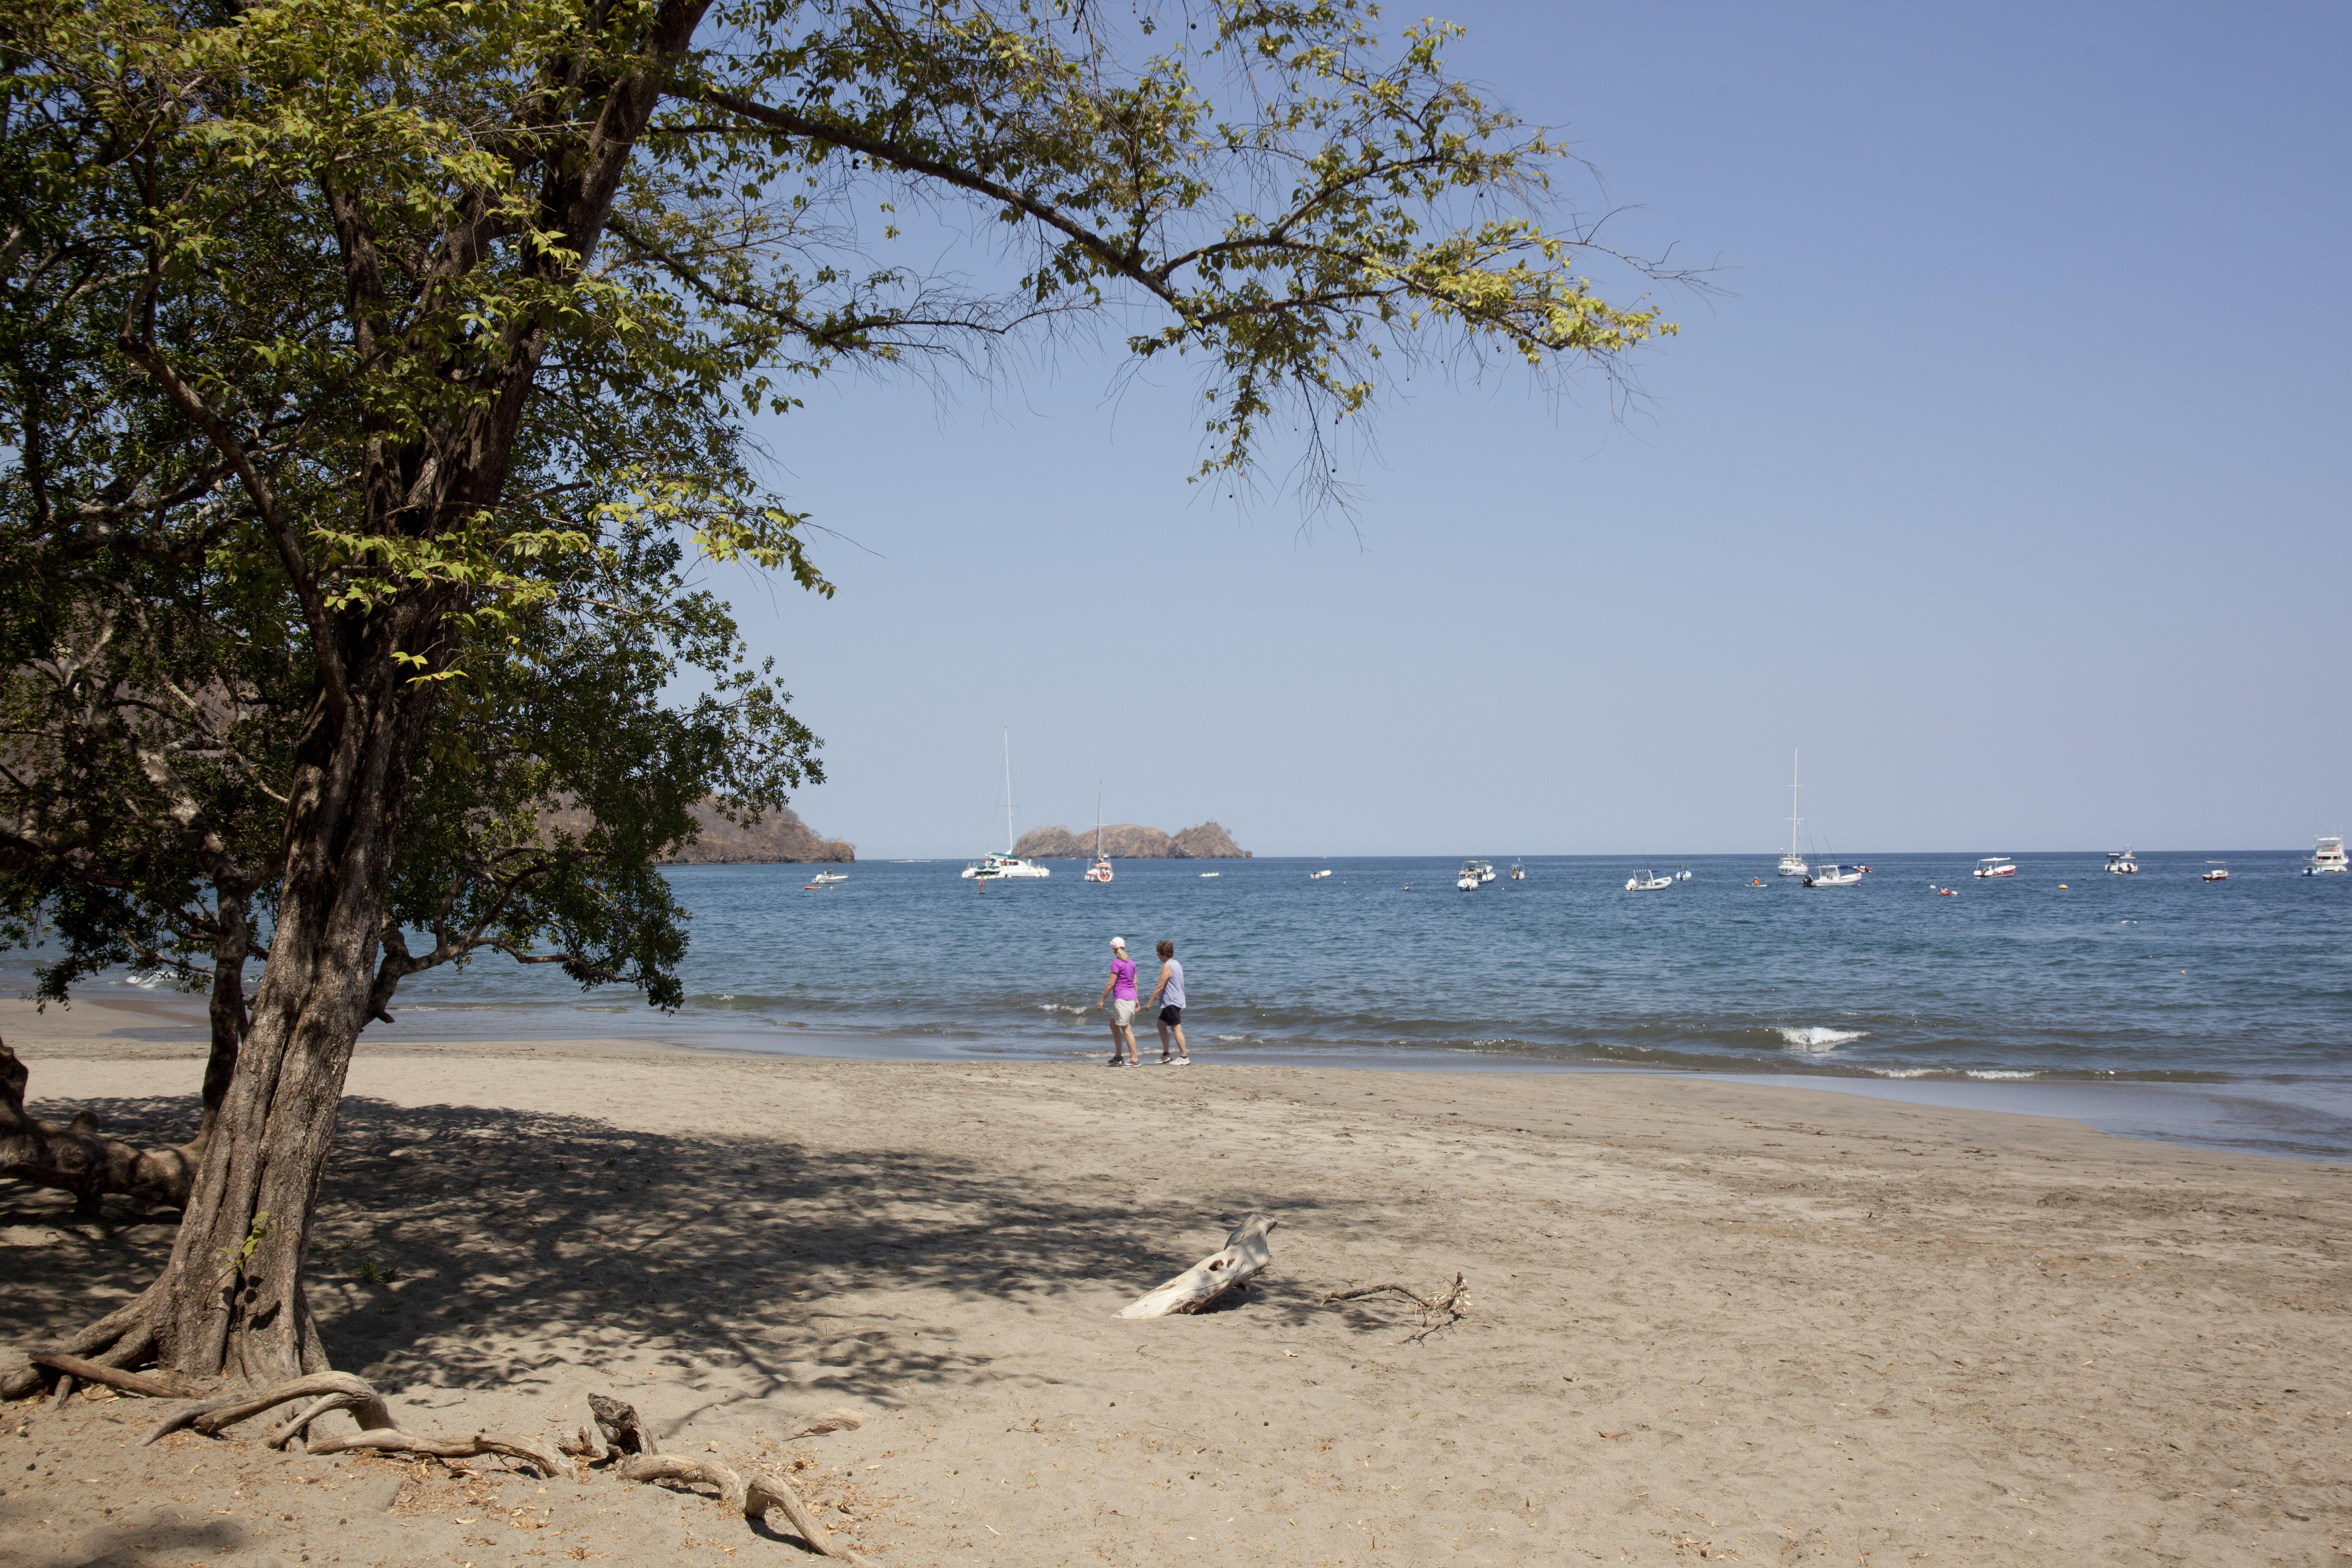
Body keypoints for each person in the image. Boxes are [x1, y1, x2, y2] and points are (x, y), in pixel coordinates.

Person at [1095, 937, 1140, 1066]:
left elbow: (1111, 984)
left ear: (1113, 949)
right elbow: (1135, 983)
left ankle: (1135, 1059)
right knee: (1114, 1025)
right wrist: (1136, 999)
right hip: (1129, 998)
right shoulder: (1132, 963)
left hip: (1123, 999)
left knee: (1127, 1029)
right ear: (1124, 947)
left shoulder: (1116, 963)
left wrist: (1102, 1000)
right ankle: (1119, 1056)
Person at [1145, 939, 1190, 1065]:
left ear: (1164, 953)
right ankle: (1166, 1054)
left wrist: (1150, 1003)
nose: (1157, 955)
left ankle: (1184, 1057)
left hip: (1172, 1002)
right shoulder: (1177, 964)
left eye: (1158, 953)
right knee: (1161, 1025)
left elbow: (1160, 987)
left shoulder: (1167, 966)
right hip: (1175, 1001)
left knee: (1176, 1029)